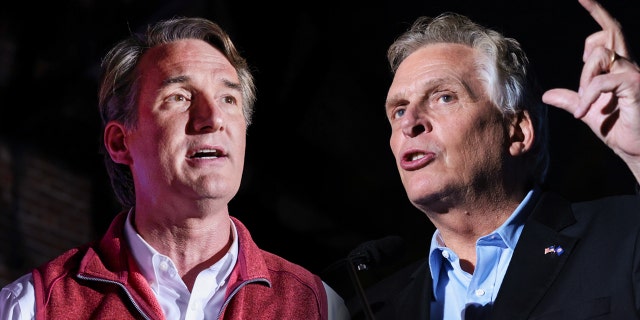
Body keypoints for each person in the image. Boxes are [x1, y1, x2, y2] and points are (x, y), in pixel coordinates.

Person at [0, 17, 349, 319]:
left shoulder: (318, 306)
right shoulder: (32, 307)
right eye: (179, 97)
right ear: (121, 142)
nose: (212, 118)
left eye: (229, 99)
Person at [353, 0, 640, 319]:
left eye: (444, 97)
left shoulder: (623, 236)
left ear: (516, 133)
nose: (410, 123)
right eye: (399, 110)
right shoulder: (372, 309)